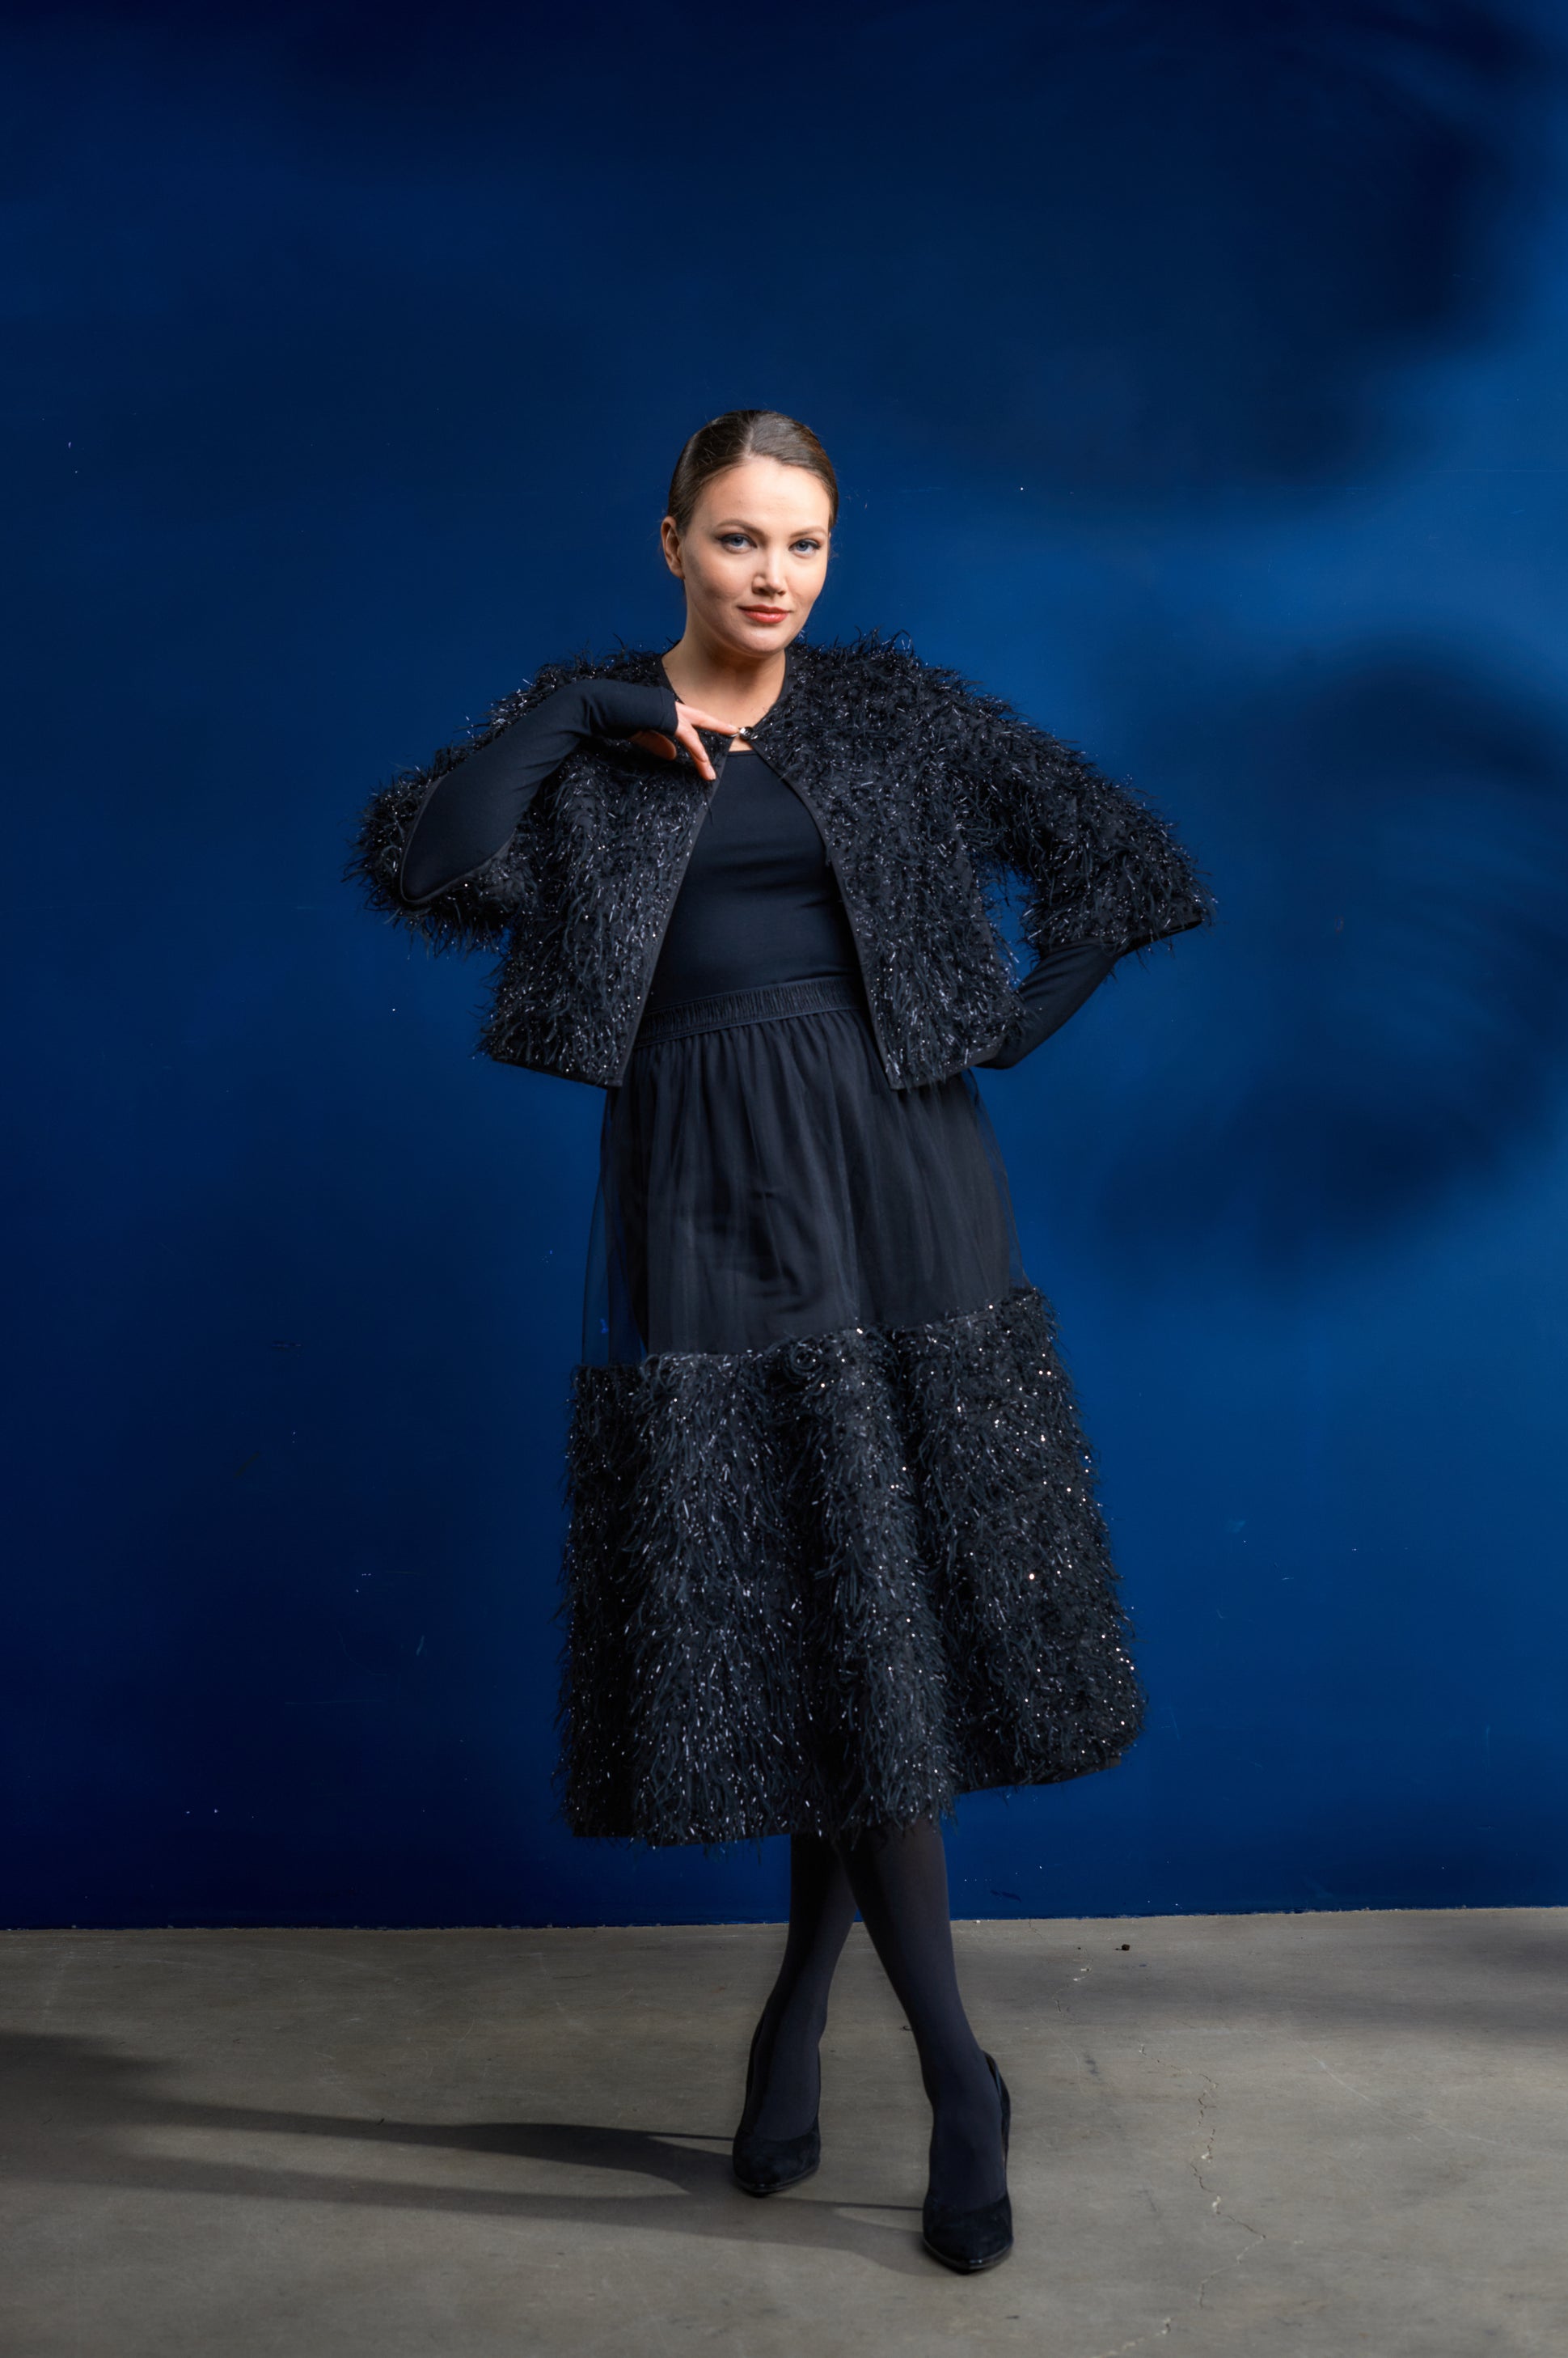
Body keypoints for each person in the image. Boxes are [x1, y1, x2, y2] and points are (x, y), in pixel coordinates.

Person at [352, 409, 1210, 2274]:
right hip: (703, 1172)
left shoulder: (891, 715)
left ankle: (909, 2063)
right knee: (818, 1593)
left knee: (869, 1598)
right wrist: (577, 712)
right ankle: (894, 2048)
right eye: (739, 539)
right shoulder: (592, 732)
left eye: (804, 545)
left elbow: (1123, 864)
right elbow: (424, 864)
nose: (774, 577)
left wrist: (1009, 1019)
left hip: (900, 1160)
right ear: (670, 539)